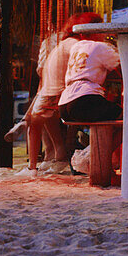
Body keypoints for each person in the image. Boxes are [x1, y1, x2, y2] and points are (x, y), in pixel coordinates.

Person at [21, 12, 102, 176]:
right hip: (57, 92)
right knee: (34, 122)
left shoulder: (65, 43)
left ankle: (40, 164)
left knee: (35, 122)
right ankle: (36, 166)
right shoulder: (75, 45)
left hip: (52, 90)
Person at [57, 26, 122, 123]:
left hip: (64, 103)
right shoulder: (100, 46)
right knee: (126, 116)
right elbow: (123, 66)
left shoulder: (76, 46)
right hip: (84, 98)